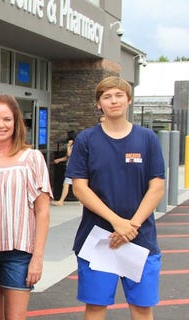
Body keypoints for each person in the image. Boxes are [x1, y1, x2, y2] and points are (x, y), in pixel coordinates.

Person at [66, 76, 164, 320]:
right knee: (96, 308)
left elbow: (157, 187)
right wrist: (117, 222)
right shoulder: (86, 140)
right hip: (99, 239)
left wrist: (131, 225)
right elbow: (80, 188)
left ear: (129, 100)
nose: (113, 101)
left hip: (140, 240)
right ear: (99, 104)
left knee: (142, 309)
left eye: (119, 95)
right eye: (106, 96)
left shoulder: (147, 139)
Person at [0, 95, 52, 320]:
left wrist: (38, 257)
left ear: (16, 123)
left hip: (19, 252)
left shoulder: (32, 158)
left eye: (7, 119)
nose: (1, 125)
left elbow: (42, 211)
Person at [51, 130, 76, 206]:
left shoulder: (74, 146)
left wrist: (68, 146)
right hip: (72, 167)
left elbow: (69, 154)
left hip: (72, 168)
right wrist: (58, 160)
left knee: (66, 184)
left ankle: (61, 201)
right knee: (72, 184)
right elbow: (67, 157)